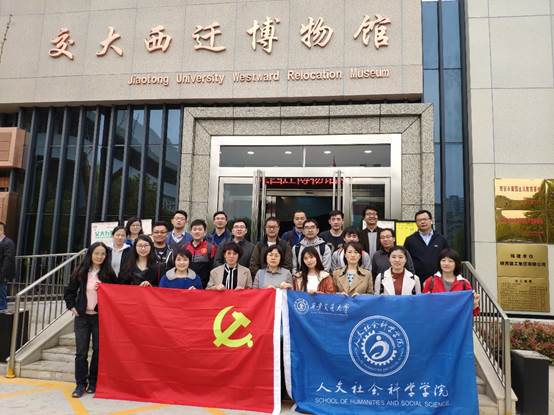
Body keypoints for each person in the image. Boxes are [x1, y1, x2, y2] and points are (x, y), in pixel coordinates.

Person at [63, 242, 116, 398]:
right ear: (90, 254)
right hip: (82, 317)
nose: (99, 256)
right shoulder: (81, 271)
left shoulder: (109, 273)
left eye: (103, 254)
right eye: (96, 253)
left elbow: (116, 293)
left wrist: (105, 288)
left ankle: (93, 382)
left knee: (98, 351)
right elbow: (69, 292)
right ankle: (80, 384)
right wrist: (72, 306)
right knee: (81, 352)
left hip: (100, 318)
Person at [423, 248, 480, 315]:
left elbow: (472, 312)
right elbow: (423, 305)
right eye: (443, 260)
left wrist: (474, 304)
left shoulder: (464, 283)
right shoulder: (431, 281)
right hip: (435, 319)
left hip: (456, 320)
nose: (446, 263)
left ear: (456, 264)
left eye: (450, 261)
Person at [404, 210, 449, 287]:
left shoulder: (441, 239)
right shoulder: (410, 240)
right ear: (416, 223)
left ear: (431, 221)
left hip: (438, 280)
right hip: (416, 281)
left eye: (425, 219)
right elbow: (406, 259)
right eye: (419, 220)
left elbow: (448, 257)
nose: (422, 222)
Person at [185, 219, 217, 288]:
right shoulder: (185, 247)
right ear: (190, 232)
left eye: (200, 229)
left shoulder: (211, 247)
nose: (197, 231)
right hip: (187, 284)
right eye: (194, 229)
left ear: (205, 232)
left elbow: (213, 268)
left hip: (204, 285)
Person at [0, 222, 15, 312]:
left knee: (1, 297)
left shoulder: (8, 243)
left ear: (1, 230)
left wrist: (2, 274)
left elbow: (8, 260)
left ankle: (2, 314)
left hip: (2, 274)